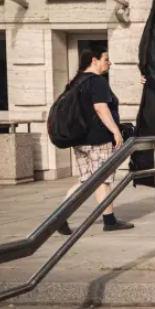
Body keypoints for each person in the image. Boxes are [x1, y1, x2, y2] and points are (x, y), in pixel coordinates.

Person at [62, 51, 133, 234]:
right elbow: (101, 108)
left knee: (88, 180)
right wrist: (115, 131)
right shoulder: (97, 81)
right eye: (106, 59)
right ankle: (109, 222)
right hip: (98, 139)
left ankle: (60, 217)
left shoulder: (76, 82)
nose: (110, 63)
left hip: (80, 140)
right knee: (102, 179)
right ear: (94, 60)